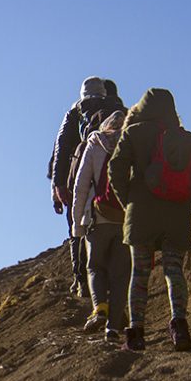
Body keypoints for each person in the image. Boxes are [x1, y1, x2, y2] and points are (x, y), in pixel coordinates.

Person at [107, 88, 191, 352]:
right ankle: (179, 328)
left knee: (139, 273)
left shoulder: (133, 133)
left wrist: (128, 201)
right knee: (174, 270)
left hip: (141, 215)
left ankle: (136, 335)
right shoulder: (189, 140)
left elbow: (115, 170)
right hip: (178, 215)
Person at [50, 76, 124, 297]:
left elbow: (61, 149)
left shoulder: (75, 112)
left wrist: (57, 185)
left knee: (77, 227)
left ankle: (81, 279)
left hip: (79, 176)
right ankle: (112, 280)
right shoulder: (119, 111)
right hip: (111, 177)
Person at [71, 110, 130, 342]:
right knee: (120, 274)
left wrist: (77, 224)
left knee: (95, 266)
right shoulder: (132, 143)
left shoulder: (95, 144)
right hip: (125, 219)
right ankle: (113, 329)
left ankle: (100, 308)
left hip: (98, 217)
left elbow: (81, 186)